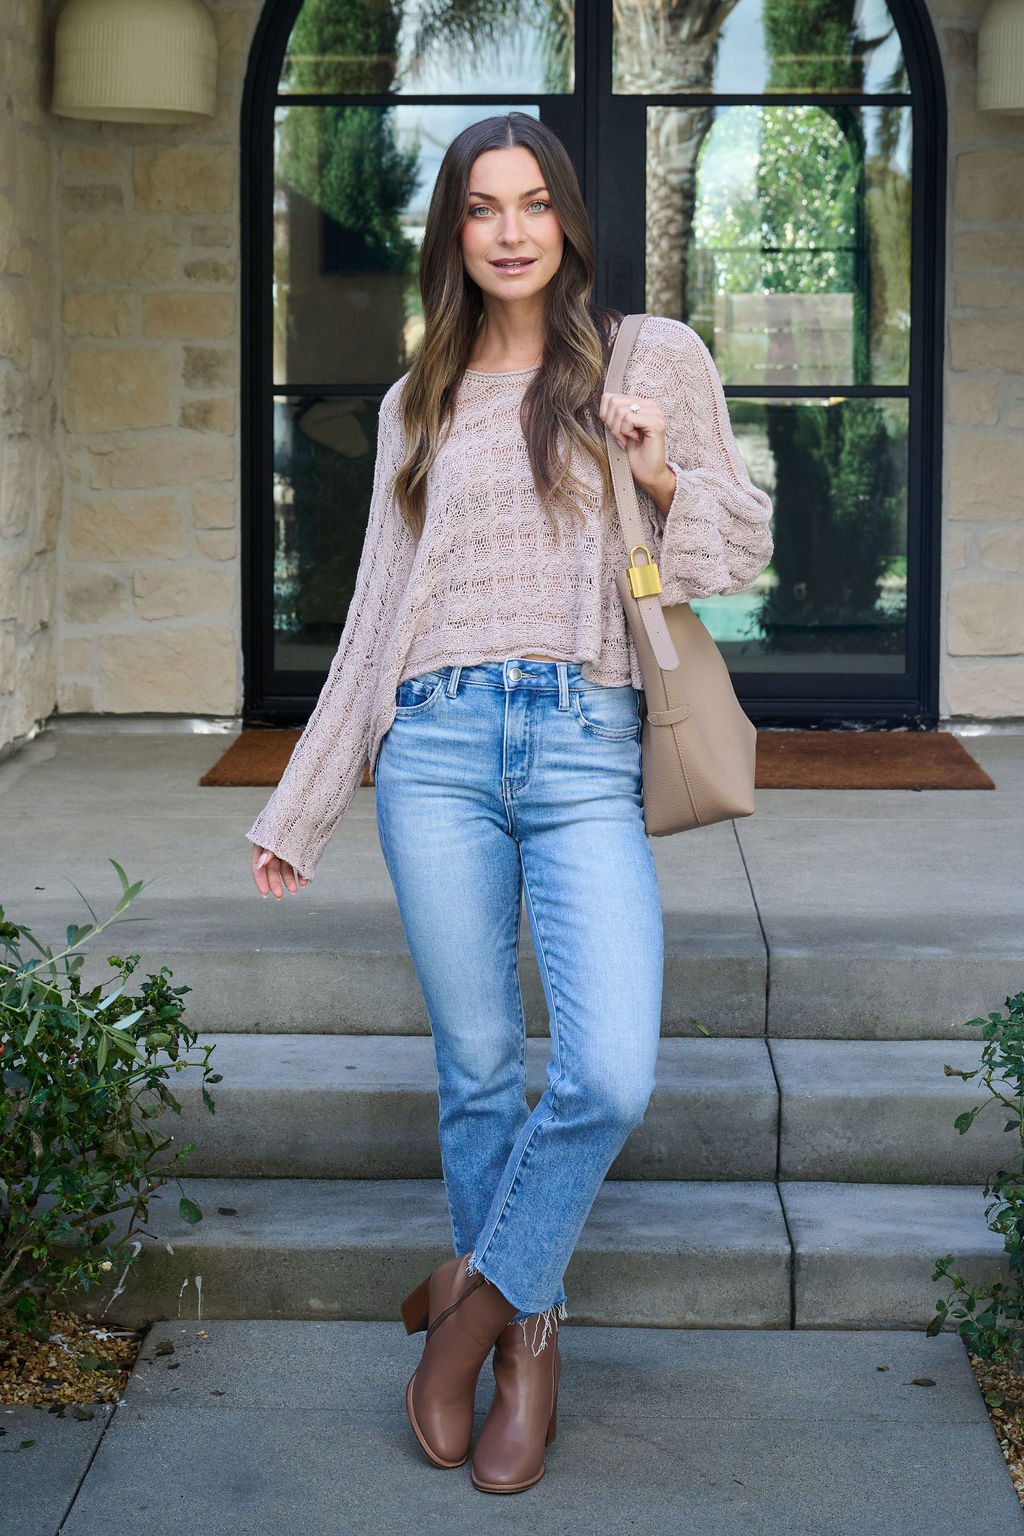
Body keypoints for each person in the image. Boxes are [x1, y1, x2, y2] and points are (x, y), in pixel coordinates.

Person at [247, 111, 774, 1494]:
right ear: (455, 232)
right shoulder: (416, 398)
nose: (512, 230)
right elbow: (372, 616)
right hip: (433, 751)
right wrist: (301, 805)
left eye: (534, 202)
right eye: (483, 208)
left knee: (607, 1070)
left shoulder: (646, 355)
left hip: (586, 741)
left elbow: (738, 536)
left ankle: (464, 1308)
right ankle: (528, 1343)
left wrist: (656, 467)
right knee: (479, 1071)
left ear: (568, 221)